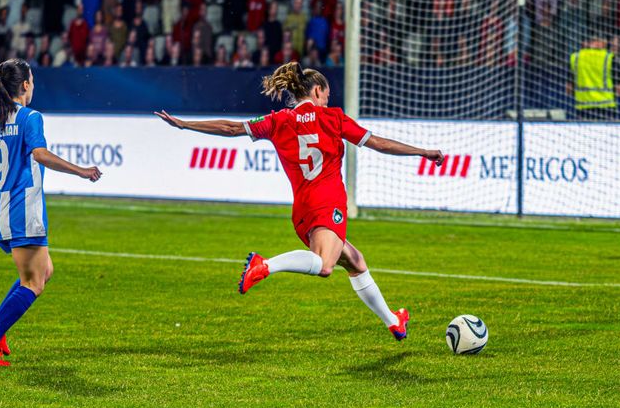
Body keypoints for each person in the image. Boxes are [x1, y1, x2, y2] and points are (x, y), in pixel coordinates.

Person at [153, 62, 444, 341]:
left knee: (355, 261)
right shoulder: (334, 118)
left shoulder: (278, 120)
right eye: (326, 95)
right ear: (316, 91)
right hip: (328, 205)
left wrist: (185, 125)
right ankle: (264, 265)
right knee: (325, 265)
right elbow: (378, 143)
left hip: (302, 211)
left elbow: (231, 128)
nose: (327, 101)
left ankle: (393, 321)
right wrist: (422, 151)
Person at [0, 59, 103, 366]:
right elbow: (39, 154)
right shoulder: (30, 117)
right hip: (23, 209)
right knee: (34, 282)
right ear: (25, 85)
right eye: (32, 80)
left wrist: (1, 189)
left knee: (43, 271)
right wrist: (81, 171)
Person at [567, 37, 620, 120]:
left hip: (583, 107)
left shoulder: (575, 57)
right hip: (606, 107)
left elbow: (568, 89)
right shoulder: (610, 58)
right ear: (602, 42)